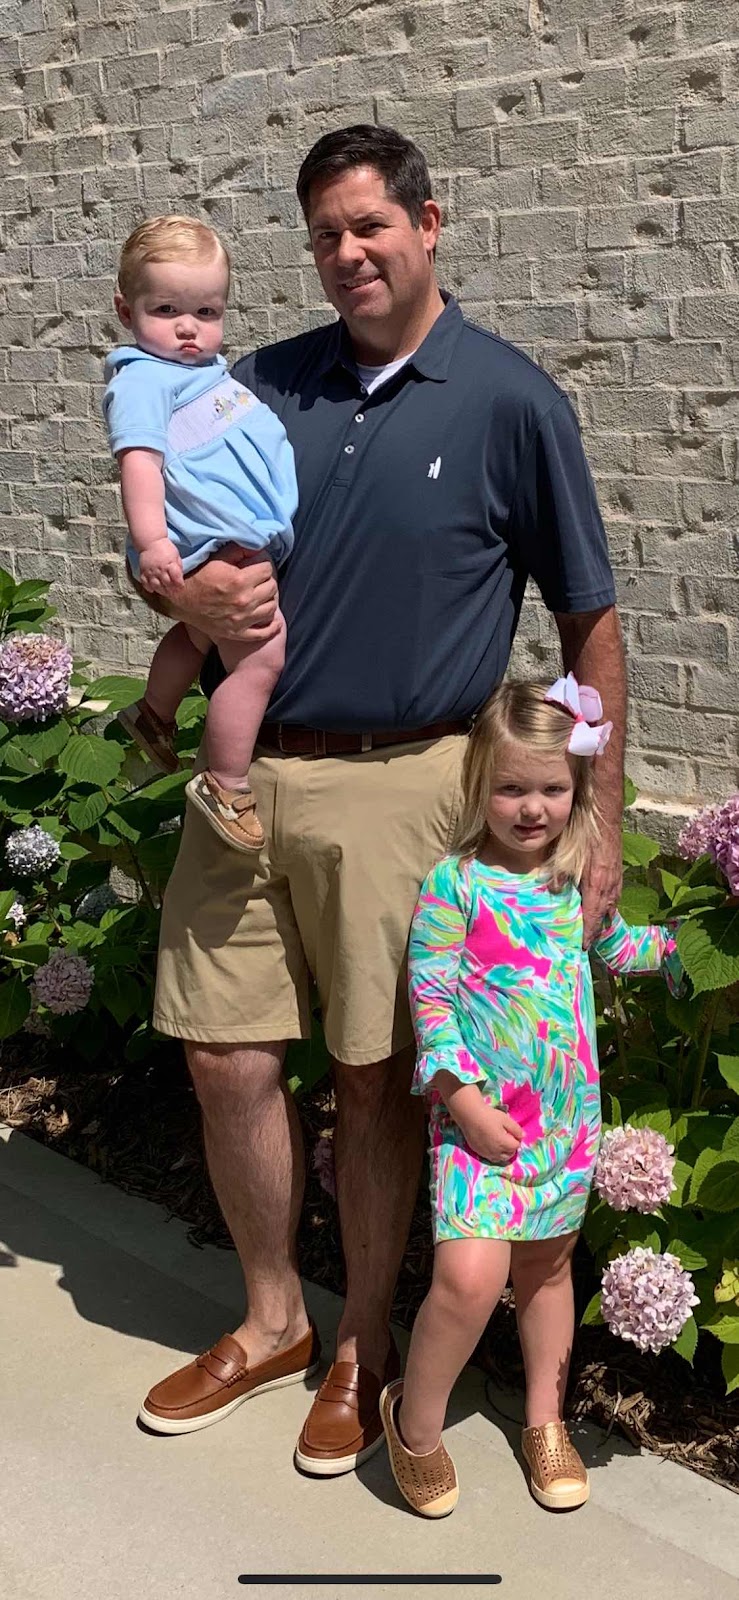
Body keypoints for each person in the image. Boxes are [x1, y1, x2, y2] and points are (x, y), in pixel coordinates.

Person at [134, 125, 627, 1476]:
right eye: (325, 235)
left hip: (403, 778)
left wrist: (598, 818)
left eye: (370, 226)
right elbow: (163, 535)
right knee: (224, 1054)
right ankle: (272, 1318)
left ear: (427, 223)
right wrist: (173, 584)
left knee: (372, 1077)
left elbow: (588, 618)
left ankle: (360, 1340)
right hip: (245, 771)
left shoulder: (508, 401)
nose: (348, 253)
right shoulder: (257, 384)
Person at [380, 677, 683, 1517]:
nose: (530, 808)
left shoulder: (573, 880)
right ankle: (415, 1425)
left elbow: (617, 947)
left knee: (548, 1272)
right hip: (475, 1120)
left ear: (575, 789)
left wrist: (682, 952)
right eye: (510, 788)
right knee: (468, 1279)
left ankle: (544, 1422)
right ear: (478, 784)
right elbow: (430, 1005)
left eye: (551, 788)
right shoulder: (454, 885)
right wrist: (464, 1104)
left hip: (562, 1127)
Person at [104, 215, 298, 852]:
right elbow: (139, 464)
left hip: (226, 538)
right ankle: (226, 782)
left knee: (198, 633)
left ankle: (153, 714)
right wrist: (153, 543)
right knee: (261, 654)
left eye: (206, 311)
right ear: (126, 311)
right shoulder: (142, 380)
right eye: (166, 310)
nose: (188, 328)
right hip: (210, 543)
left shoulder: (202, 372)